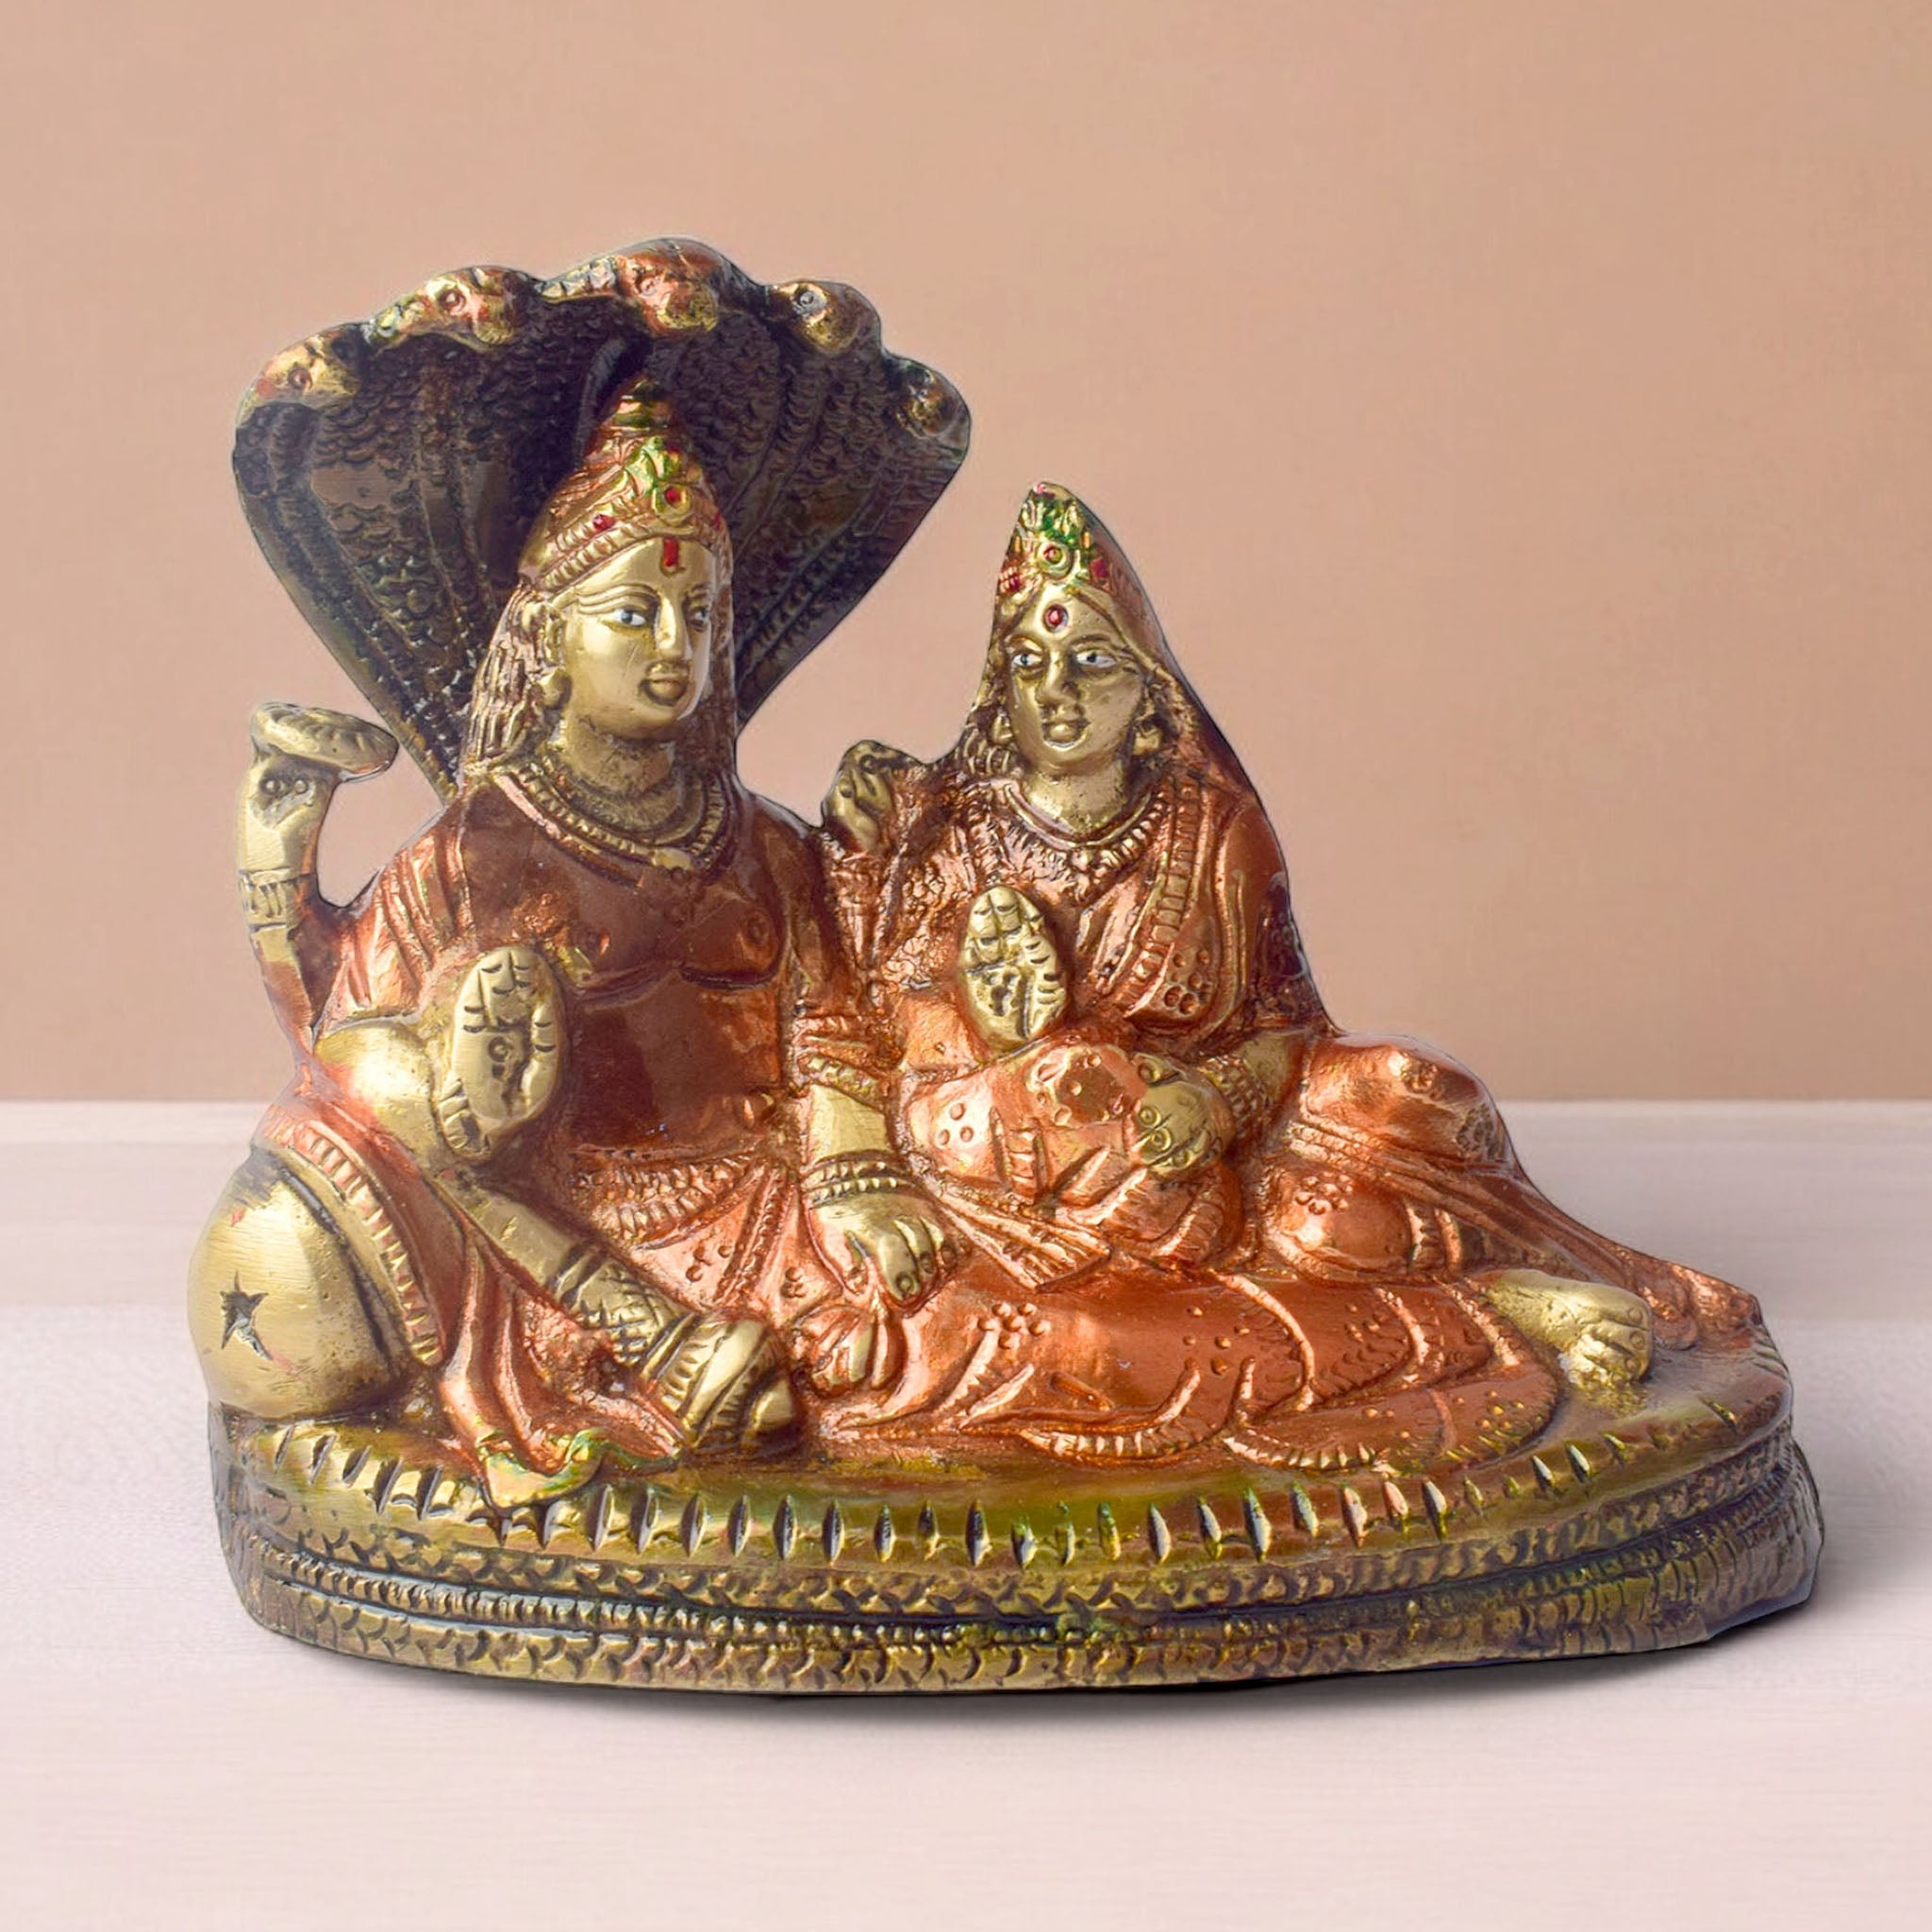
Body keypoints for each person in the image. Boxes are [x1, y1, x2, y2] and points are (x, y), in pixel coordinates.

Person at [815, 483, 1757, 1474]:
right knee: (1129, 1219)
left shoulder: (1217, 833)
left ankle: (1525, 1266)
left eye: (1091, 661)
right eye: (1028, 661)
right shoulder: (949, 830)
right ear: (998, 684)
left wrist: (1215, 1100)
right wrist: (1000, 1035)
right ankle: (1493, 1310)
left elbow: (1288, 1028)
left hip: (1221, 1138)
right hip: (1031, 1163)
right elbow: (883, 1026)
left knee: (1405, 1093)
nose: (1056, 691)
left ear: (1150, 693)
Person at [189, 382, 947, 1505]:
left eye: (699, 615)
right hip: (589, 1228)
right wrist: (279, 880)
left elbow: (834, 1026)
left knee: (964, 1298)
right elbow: (363, 1074)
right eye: (633, 612)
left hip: (784, 1197)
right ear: (549, 636)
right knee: (885, 1361)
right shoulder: (469, 857)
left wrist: (853, 1180)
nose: (674, 644)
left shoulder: (768, 846)